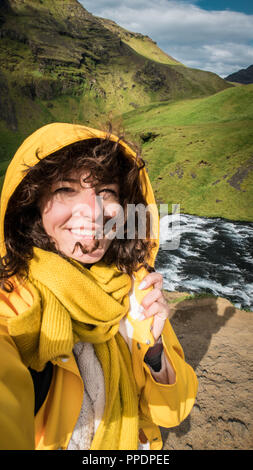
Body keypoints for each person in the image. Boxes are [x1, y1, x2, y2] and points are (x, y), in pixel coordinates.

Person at [0, 123, 198, 450]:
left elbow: (173, 412)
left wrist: (154, 351)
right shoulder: (11, 306)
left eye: (107, 191)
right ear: (33, 203)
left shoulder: (135, 291)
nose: (94, 213)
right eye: (65, 188)